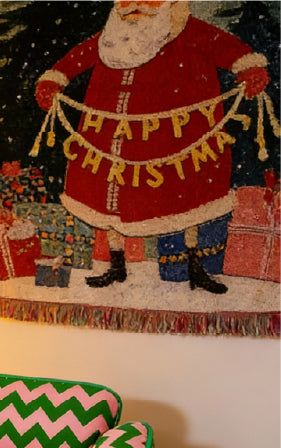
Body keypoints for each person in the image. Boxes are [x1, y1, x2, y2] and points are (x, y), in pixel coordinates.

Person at [35, 0, 269, 294]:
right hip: (107, 138)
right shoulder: (110, 36)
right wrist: (56, 78)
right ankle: (116, 264)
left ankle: (194, 266)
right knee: (106, 198)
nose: (135, 5)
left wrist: (248, 68)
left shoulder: (191, 31)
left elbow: (227, 48)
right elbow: (80, 56)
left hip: (177, 139)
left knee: (188, 198)